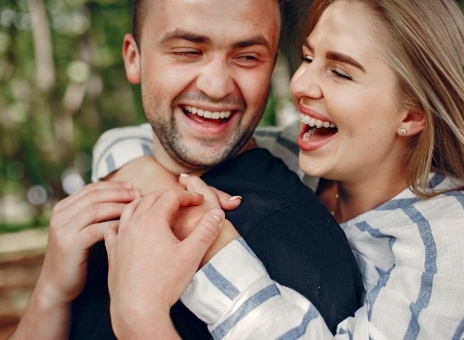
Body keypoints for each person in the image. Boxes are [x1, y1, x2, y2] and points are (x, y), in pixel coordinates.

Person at [96, 0, 464, 339]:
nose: (299, 84)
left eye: (339, 71)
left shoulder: (450, 234)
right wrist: (158, 185)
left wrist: (201, 232)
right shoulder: (294, 162)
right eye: (308, 57)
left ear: (412, 114)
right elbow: (124, 141)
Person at [8, 0, 364, 339]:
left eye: (247, 57)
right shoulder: (108, 196)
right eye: (187, 51)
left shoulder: (296, 241)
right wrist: (51, 293)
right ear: (134, 59)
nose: (216, 86)